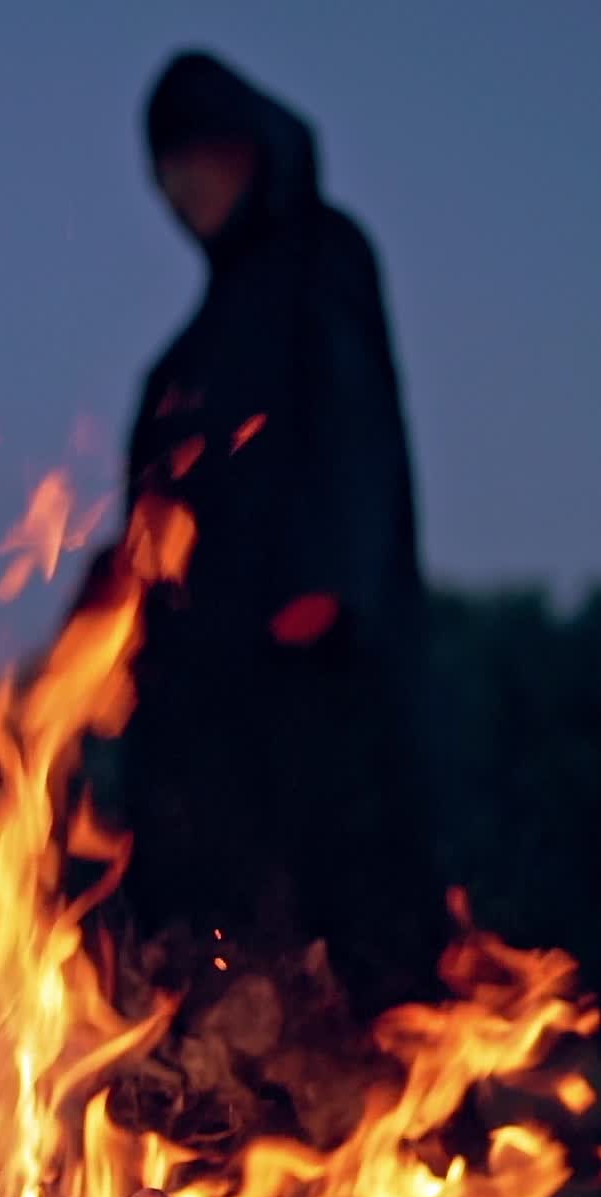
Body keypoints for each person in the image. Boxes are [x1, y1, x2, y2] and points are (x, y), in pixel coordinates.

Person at [76, 51, 447, 1025]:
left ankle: (393, 1152)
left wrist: (322, 588)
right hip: (197, 699)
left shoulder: (321, 258)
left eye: (197, 156)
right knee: (209, 928)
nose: (177, 186)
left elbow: (355, 423)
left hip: (308, 669)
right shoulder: (190, 347)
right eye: (162, 167)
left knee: (339, 913)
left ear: (254, 150)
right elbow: (154, 517)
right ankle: (229, 1158)